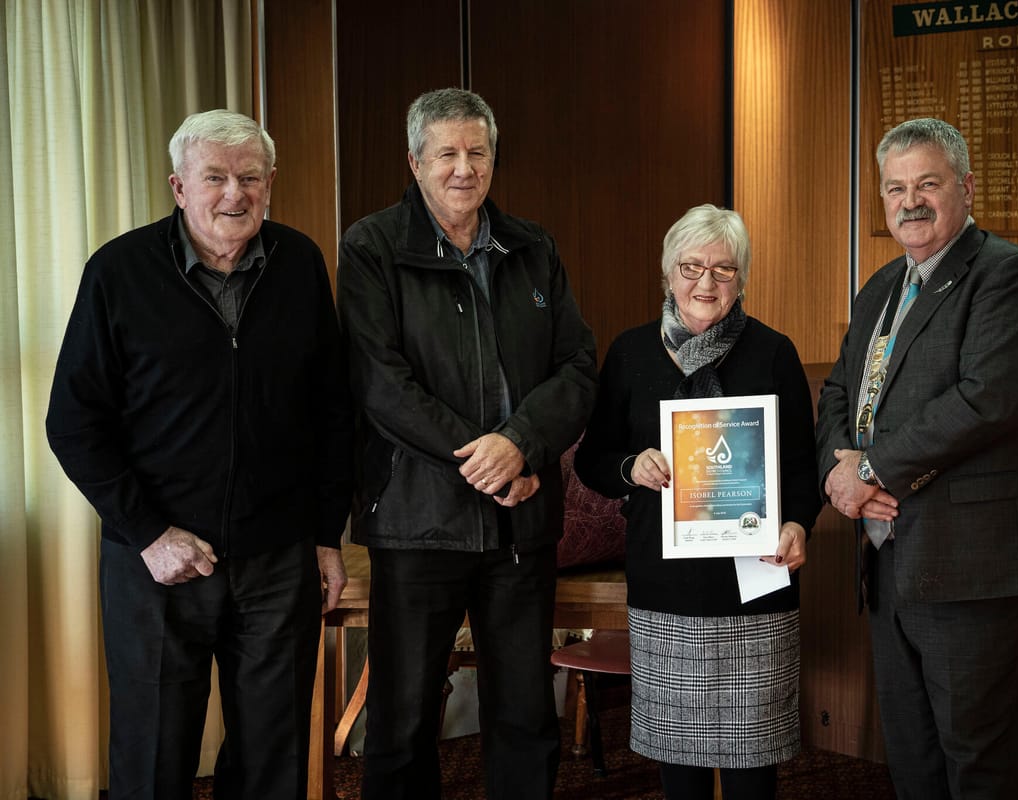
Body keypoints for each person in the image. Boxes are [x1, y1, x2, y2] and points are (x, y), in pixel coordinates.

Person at [45, 109, 354, 799]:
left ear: (271, 183)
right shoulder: (119, 271)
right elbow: (72, 421)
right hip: (155, 561)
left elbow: (333, 412)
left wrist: (327, 536)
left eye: (249, 177)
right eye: (214, 177)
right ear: (178, 187)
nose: (233, 194)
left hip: (278, 558)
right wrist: (149, 534)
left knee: (273, 760)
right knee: (154, 758)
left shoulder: (300, 263)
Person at [336, 87, 597, 799]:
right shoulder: (372, 247)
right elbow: (381, 384)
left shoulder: (532, 246)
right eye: (446, 153)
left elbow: (577, 367)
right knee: (403, 716)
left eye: (476, 152)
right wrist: (486, 460)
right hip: (420, 522)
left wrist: (520, 443)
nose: (463, 168)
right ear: (415, 162)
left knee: (522, 715)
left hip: (523, 521)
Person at [815, 117, 1018, 800]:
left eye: (927, 183)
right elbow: (840, 392)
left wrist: (869, 470)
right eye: (895, 188)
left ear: (965, 186)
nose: (910, 201)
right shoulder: (880, 287)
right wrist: (838, 479)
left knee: (978, 763)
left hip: (972, 565)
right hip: (888, 557)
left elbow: (987, 400)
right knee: (913, 758)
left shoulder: (1009, 277)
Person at [574, 204, 822, 800]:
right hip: (667, 585)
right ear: (667, 273)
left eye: (724, 269)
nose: (706, 283)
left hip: (754, 583)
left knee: (752, 764)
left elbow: (802, 470)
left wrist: (796, 523)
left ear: (742, 279)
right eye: (691, 267)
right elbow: (593, 462)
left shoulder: (773, 352)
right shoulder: (631, 353)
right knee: (677, 761)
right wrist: (632, 466)